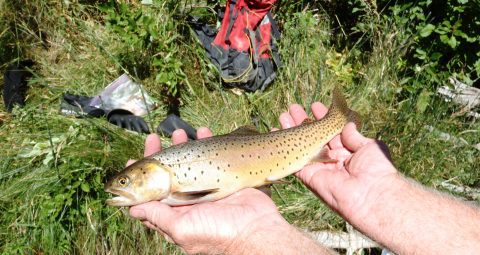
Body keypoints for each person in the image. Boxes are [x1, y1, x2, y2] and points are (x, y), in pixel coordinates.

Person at [127, 101, 480, 254]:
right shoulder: (170, 182)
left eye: (127, 182)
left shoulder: (175, 185)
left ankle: (338, 117)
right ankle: (338, 117)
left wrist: (247, 240)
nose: (123, 188)